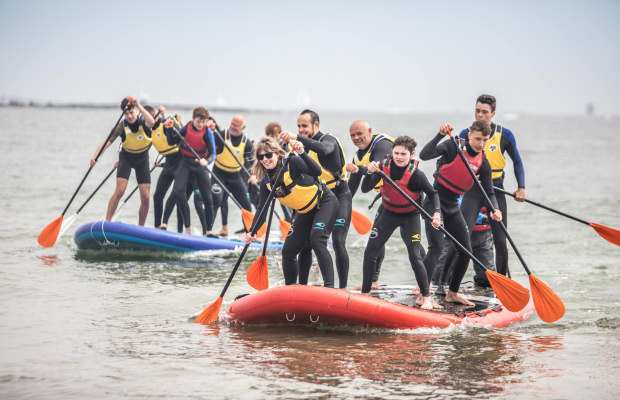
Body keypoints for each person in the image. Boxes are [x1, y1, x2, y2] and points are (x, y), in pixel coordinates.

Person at [419, 120, 502, 306]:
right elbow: (424, 155)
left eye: (485, 140)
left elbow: (489, 193)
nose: (481, 144)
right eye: (478, 139)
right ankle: (422, 294)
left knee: (465, 252)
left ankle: (452, 293)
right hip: (434, 202)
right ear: (470, 135)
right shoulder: (453, 146)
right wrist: (440, 135)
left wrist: (494, 209)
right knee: (436, 247)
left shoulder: (483, 162)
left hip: (452, 206)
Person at [361, 136, 442, 310]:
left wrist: (436, 213)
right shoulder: (383, 167)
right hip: (388, 214)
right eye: (396, 153)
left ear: (411, 155)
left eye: (403, 154)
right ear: (391, 152)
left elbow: (433, 193)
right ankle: (366, 293)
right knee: (370, 251)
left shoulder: (417, 175)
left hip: (410, 216)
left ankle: (425, 296)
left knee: (415, 255)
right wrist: (370, 172)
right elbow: (365, 188)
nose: (398, 157)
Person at [246, 137, 338, 287]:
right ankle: (292, 290)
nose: (265, 159)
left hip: (325, 203)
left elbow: (317, 171)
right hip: (305, 212)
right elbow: (262, 209)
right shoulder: (266, 182)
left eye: (268, 155)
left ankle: (330, 288)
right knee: (288, 251)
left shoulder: (292, 163)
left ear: (277, 154)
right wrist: (252, 231)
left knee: (316, 240)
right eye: (260, 157)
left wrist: (302, 153)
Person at [280, 110, 352, 289]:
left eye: (304, 126)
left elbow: (325, 150)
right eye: (298, 126)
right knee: (305, 245)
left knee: (338, 241)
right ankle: (302, 288)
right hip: (317, 198)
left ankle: (341, 289)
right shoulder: (300, 148)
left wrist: (297, 137)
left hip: (339, 195)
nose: (301, 130)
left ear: (316, 125)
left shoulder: (328, 140)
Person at [457, 94, 525, 276]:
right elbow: (453, 162)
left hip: (495, 189)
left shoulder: (505, 134)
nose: (480, 115)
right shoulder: (466, 134)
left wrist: (521, 188)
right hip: (472, 190)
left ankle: (503, 285)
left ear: (493, 113)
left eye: (484, 112)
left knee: (501, 242)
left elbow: (517, 162)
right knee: (462, 238)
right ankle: (448, 286)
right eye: (477, 111)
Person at [90, 96, 155, 225]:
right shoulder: (121, 126)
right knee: (120, 191)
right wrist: (95, 157)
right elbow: (106, 143)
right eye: (126, 113)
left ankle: (140, 228)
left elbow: (152, 123)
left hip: (142, 159)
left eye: (131, 112)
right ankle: (107, 222)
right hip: (126, 158)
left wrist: (138, 104)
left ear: (136, 110)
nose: (129, 116)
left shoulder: (144, 122)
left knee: (146, 197)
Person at [346, 120, 394, 290]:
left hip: (407, 198)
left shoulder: (382, 144)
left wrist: (360, 170)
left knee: (412, 244)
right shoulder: (358, 157)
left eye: (360, 133)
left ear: (370, 131)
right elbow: (350, 190)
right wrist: (338, 207)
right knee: (375, 241)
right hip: (388, 201)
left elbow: (378, 166)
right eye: (352, 135)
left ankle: (425, 285)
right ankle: (373, 282)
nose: (356, 138)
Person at [161, 106, 216, 236]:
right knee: (176, 192)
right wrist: (168, 130)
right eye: (198, 122)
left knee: (208, 198)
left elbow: (213, 153)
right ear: (193, 119)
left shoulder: (207, 132)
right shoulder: (186, 128)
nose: (200, 124)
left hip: (200, 166)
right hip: (185, 164)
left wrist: (206, 161)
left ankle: (208, 231)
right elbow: (172, 142)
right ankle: (164, 224)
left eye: (203, 122)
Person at [212, 115, 254, 238]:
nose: (232, 127)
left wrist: (254, 175)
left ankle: (249, 232)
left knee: (246, 205)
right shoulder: (221, 134)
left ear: (243, 127)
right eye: (232, 123)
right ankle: (216, 229)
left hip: (235, 175)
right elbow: (209, 146)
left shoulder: (246, 142)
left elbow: (252, 162)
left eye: (236, 125)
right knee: (218, 200)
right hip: (218, 173)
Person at [143, 105, 182, 230]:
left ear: (154, 115)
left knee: (176, 195)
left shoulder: (166, 122)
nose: (145, 121)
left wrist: (165, 116)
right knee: (157, 196)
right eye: (143, 118)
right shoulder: (149, 131)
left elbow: (177, 133)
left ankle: (166, 224)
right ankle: (157, 226)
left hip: (181, 161)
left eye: (147, 117)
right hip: (169, 163)